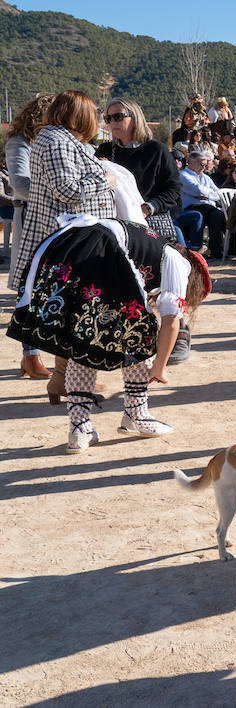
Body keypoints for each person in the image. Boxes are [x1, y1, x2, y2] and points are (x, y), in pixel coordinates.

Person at [8, 215, 210, 451]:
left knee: (84, 340)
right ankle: (136, 414)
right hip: (101, 250)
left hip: (69, 245)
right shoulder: (178, 262)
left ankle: (79, 428)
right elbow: (172, 321)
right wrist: (160, 366)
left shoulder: (152, 245)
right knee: (140, 333)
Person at [12, 90, 119, 403]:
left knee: (72, 310)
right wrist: (104, 180)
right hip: (71, 240)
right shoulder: (56, 140)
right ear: (80, 115)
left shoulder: (59, 139)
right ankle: (70, 380)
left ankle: (64, 379)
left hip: (73, 238)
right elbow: (66, 190)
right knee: (76, 310)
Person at [5, 92, 57, 380]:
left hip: (56, 217)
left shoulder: (56, 142)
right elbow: (20, 185)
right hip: (30, 218)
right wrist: (58, 187)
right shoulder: (19, 143)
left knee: (54, 284)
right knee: (30, 285)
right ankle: (31, 354)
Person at [95, 98, 182, 242]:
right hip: (113, 225)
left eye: (118, 116)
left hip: (148, 224)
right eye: (108, 118)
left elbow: (174, 190)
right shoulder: (105, 150)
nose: (112, 122)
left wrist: (147, 208)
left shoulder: (156, 150)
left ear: (135, 118)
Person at [177, 148, 227, 259]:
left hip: (207, 207)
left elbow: (218, 193)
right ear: (190, 163)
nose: (203, 168)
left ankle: (216, 251)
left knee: (217, 215)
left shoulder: (205, 177)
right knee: (205, 214)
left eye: (205, 165)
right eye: (201, 164)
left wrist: (207, 195)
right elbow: (198, 190)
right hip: (191, 207)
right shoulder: (183, 175)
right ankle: (198, 248)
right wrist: (205, 193)